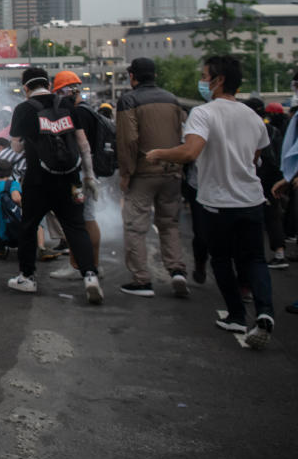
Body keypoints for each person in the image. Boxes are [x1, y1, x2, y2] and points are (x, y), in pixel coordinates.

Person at [148, 56, 274, 350]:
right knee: (255, 258)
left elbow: (191, 152)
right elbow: (256, 157)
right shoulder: (252, 116)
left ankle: (237, 316)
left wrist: (158, 154)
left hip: (218, 202)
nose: (202, 81)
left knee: (221, 258)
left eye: (204, 76)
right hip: (251, 199)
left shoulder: (203, 114)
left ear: (218, 81)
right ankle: (265, 312)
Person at [6, 68, 102, 303]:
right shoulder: (68, 105)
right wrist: (89, 176)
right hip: (70, 178)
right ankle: (90, 275)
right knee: (75, 226)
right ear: (48, 84)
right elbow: (83, 144)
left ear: (25, 87)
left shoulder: (24, 109)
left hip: (37, 180)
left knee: (29, 226)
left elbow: (16, 148)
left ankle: (27, 277)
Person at [116, 58, 187, 298]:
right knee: (169, 224)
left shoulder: (129, 100)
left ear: (132, 76)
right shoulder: (172, 99)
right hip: (173, 171)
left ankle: (142, 280)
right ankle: (177, 269)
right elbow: (182, 134)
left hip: (143, 173)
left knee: (135, 227)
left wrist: (126, 174)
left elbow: (128, 141)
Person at [48, 71, 103, 281]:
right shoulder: (89, 111)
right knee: (88, 219)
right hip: (89, 172)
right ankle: (94, 264)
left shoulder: (76, 113)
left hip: (78, 174)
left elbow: (81, 145)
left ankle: (76, 264)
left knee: (75, 221)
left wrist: (87, 176)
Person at [243, 98, 287, 270]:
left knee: (255, 218)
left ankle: (257, 256)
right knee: (272, 215)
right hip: (276, 177)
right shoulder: (274, 130)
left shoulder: (250, 130)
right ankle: (279, 253)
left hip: (258, 177)